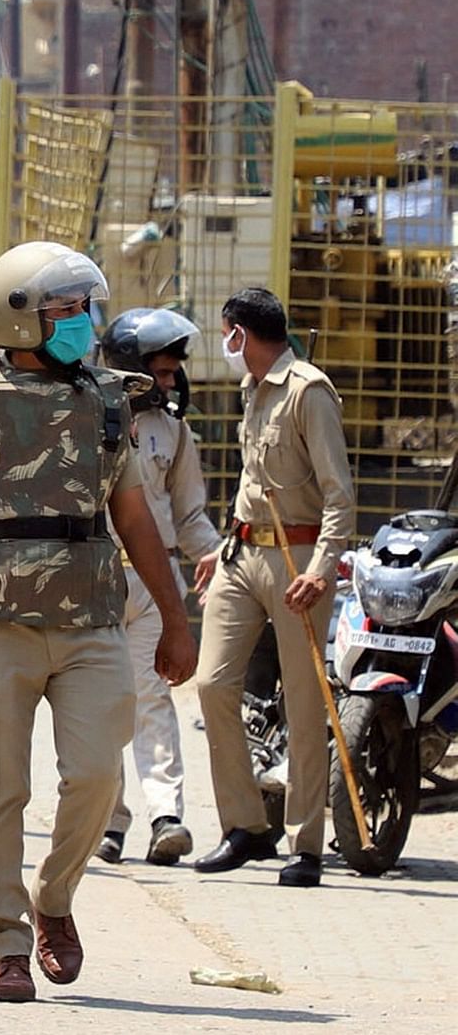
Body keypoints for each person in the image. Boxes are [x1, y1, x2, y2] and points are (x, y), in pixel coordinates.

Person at [0, 241, 197, 1003]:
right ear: (18, 319)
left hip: (92, 615)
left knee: (94, 775)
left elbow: (138, 522)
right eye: (66, 312)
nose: (84, 324)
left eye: (85, 309)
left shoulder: (109, 401)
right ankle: (7, 942)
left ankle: (53, 897)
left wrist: (177, 619)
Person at [192, 287, 354, 887]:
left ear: (243, 333)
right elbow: (252, 477)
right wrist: (221, 547)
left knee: (305, 702)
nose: (225, 343)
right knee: (212, 685)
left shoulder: (308, 392)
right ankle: (245, 828)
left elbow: (339, 491)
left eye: (227, 331)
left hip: (299, 558)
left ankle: (305, 842)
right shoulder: (248, 390)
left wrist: (322, 566)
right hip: (243, 551)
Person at [93, 308, 220, 867]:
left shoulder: (175, 431)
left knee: (153, 697)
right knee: (99, 704)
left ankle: (166, 815)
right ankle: (107, 820)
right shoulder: (86, 416)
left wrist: (213, 555)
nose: (170, 383)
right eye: (161, 373)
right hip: (96, 575)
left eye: (173, 373)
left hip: (155, 583)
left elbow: (189, 511)